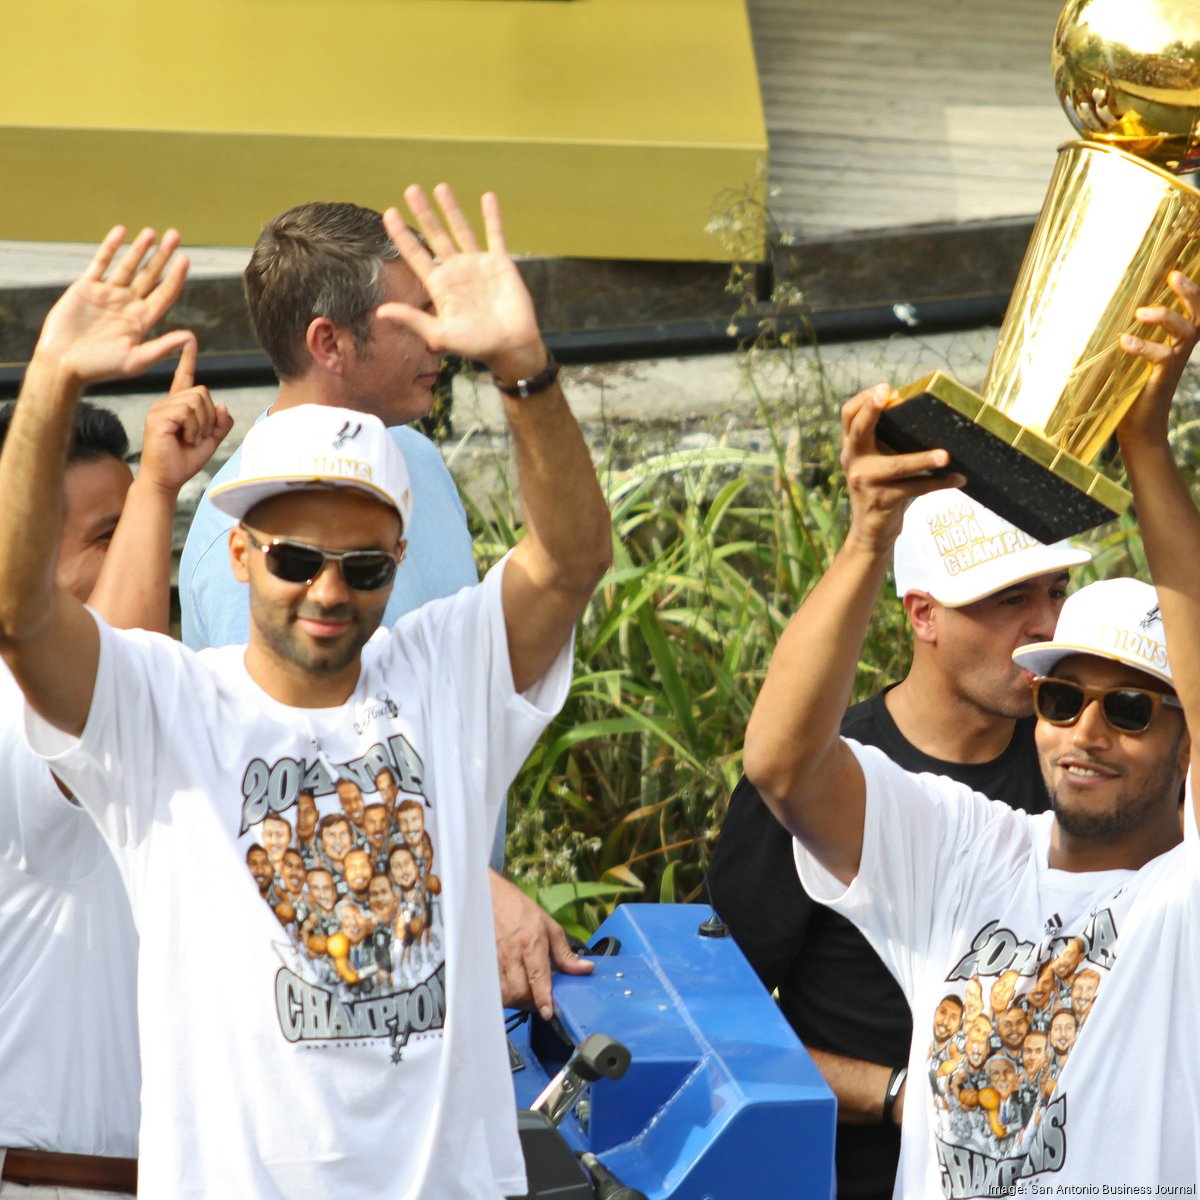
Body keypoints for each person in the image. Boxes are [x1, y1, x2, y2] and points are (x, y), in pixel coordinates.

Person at [0, 186, 611, 1197]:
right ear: (237, 552)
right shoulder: (161, 706)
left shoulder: (443, 675)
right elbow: (21, 616)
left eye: (364, 568)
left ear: (400, 558)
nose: (327, 590)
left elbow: (572, 559)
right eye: (293, 559)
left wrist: (523, 371)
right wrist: (48, 388)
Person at [742, 270, 1200, 1195]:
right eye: (1061, 698)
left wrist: (1143, 445)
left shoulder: (1182, 898)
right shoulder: (967, 850)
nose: (1086, 729)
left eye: (1133, 706)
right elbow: (782, 766)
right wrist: (870, 534)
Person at [179, 199, 586, 1012]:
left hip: (467, 971)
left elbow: (557, 579)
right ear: (330, 342)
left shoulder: (416, 463)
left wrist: (524, 365)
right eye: (415, 317)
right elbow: (288, 789)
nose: (441, 338)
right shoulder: (238, 539)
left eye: (367, 564)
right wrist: (472, 886)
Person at [708, 491, 1089, 1200]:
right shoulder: (825, 780)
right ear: (923, 614)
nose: (1046, 625)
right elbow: (710, 1015)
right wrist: (897, 1093)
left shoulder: (1080, 766)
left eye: (1057, 590)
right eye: (1010, 599)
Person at [0, 323, 230, 1196]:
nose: (143, 553)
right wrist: (161, 486)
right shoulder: (13, 701)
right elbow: (114, 685)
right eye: (108, 533)